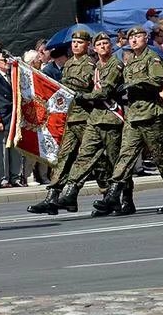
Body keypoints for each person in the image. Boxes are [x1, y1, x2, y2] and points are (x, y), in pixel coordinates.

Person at [92, 26, 163, 215]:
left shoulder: (153, 57)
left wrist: (134, 84)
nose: (133, 40)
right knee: (125, 157)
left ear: (145, 38)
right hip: (133, 115)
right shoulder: (129, 61)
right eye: (130, 37)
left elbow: (157, 82)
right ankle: (114, 195)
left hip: (150, 114)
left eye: (137, 36)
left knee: (161, 158)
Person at [53, 32, 128, 215]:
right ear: (95, 48)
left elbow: (104, 92)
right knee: (84, 156)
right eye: (99, 44)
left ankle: (125, 200)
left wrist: (82, 96)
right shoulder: (96, 67)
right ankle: (70, 193)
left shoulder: (114, 64)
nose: (103, 46)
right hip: (95, 118)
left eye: (105, 43)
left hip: (111, 118)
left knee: (114, 162)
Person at [27, 29, 95, 214]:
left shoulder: (90, 64)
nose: (75, 45)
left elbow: (84, 84)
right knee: (63, 158)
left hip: (87, 117)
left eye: (79, 42)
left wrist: (66, 84)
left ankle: (110, 195)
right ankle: (53, 196)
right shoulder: (69, 64)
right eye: (73, 42)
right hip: (71, 117)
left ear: (87, 45)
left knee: (94, 158)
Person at [0, 51, 24, 187]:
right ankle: (3, 178)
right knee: (2, 150)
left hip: (14, 116)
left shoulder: (12, 76)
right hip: (2, 117)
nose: (6, 62)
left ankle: (16, 177)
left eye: (7, 60)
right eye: (3, 60)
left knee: (16, 148)